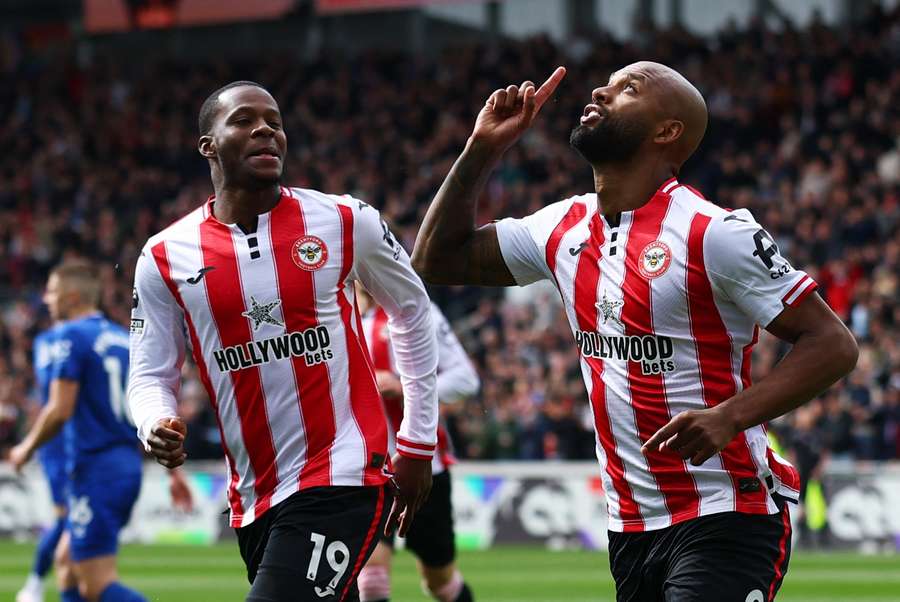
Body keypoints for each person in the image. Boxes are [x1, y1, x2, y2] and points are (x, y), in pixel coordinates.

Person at [412, 63, 858, 600]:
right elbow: (435, 259)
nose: (601, 90)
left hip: (727, 511)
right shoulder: (560, 227)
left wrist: (729, 416)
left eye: (629, 88)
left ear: (666, 131)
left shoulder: (715, 232)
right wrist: (482, 147)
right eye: (609, 83)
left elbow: (833, 343)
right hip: (629, 526)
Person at [127, 80, 439, 602]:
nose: (265, 130)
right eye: (244, 121)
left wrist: (418, 441)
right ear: (208, 146)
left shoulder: (345, 220)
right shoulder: (163, 257)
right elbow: (149, 374)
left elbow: (411, 309)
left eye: (274, 121)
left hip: (342, 475)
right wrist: (154, 422)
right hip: (255, 495)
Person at [9, 261, 168, 602]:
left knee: (96, 583)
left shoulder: (70, 335)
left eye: (53, 292)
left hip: (97, 467)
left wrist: (26, 448)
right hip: (125, 462)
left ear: (73, 296)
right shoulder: (122, 339)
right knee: (66, 564)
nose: (47, 299)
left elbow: (59, 409)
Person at [356, 286, 478, 602]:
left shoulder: (419, 310)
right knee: (371, 579)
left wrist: (402, 387)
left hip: (422, 468)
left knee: (440, 582)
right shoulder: (335, 312)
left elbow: (465, 379)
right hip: (365, 469)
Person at [15, 322, 70, 602]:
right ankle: (34, 584)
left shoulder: (46, 341)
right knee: (67, 519)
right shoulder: (50, 341)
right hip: (60, 444)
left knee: (76, 521)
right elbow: (57, 398)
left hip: (77, 442)